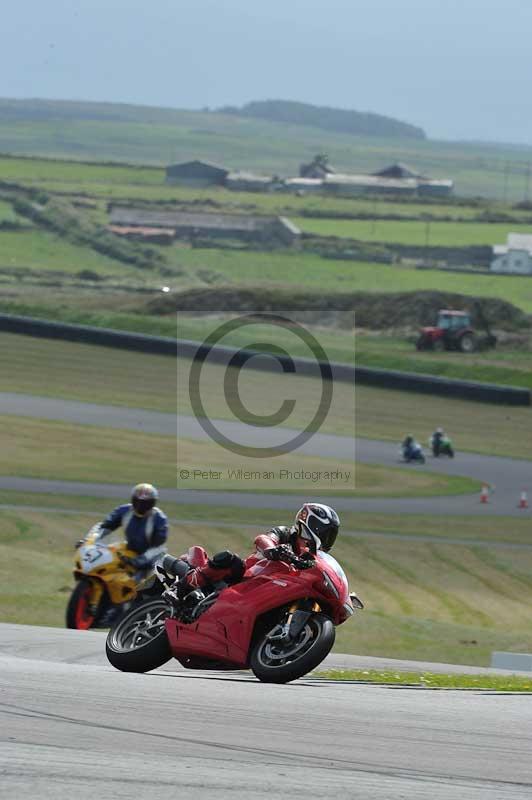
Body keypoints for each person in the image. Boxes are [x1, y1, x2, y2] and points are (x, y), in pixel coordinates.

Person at [171, 503, 340, 596]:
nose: (328, 538)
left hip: (271, 591)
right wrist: (272, 550)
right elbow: (263, 538)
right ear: (312, 525)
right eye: (327, 533)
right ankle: (182, 588)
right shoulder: (286, 534)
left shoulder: (311, 558)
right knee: (231, 560)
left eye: (331, 534)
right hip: (244, 577)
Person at [91, 483, 168, 572]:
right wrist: (90, 540)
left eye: (145, 503)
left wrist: (139, 560)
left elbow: (158, 547)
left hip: (152, 559)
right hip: (129, 549)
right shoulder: (124, 511)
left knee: (145, 582)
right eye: (138, 501)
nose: (140, 505)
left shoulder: (159, 519)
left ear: (152, 503)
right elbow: (104, 527)